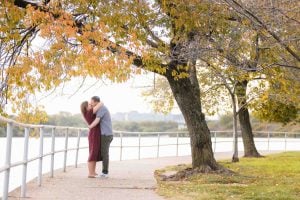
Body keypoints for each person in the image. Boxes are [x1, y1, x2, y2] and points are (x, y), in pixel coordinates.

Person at [88, 96, 113, 178]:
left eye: (92, 102)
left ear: (96, 102)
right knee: (103, 153)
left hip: (106, 134)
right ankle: (104, 172)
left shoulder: (102, 108)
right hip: (105, 134)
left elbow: (97, 120)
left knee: (104, 153)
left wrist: (90, 126)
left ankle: (105, 173)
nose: (91, 104)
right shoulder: (100, 107)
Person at [80, 101, 102, 178]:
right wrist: (96, 102)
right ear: (86, 107)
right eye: (89, 104)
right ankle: (90, 173)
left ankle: (93, 171)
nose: (91, 105)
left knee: (94, 152)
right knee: (92, 153)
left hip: (94, 133)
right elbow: (100, 103)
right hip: (94, 134)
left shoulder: (88, 113)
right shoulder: (89, 112)